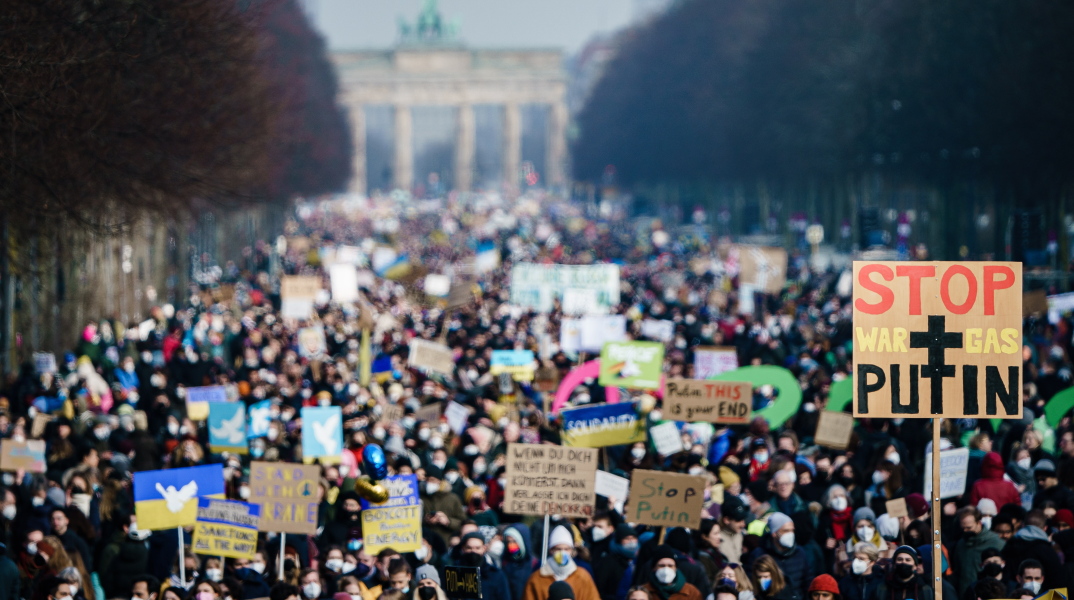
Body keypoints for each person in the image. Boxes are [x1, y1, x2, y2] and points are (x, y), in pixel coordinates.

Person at [745, 513, 814, 600]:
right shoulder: (759, 555)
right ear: (774, 533)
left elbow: (808, 582)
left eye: (792, 530)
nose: (791, 534)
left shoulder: (800, 553)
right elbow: (751, 583)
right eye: (786, 531)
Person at [520, 526, 599, 600]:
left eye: (566, 549)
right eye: (558, 549)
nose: (562, 552)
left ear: (572, 551)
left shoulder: (583, 577)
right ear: (551, 550)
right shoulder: (536, 579)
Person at [1000, 511, 1065, 592]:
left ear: (1023, 525)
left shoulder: (1009, 547)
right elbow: (1058, 583)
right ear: (1045, 528)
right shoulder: (1048, 552)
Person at [952, 506, 1004, 597]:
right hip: (965, 594)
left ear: (979, 523)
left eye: (969, 528)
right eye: (963, 528)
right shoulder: (961, 544)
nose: (965, 531)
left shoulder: (996, 543)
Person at [457, 532, 512, 600]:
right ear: (463, 548)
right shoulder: (454, 573)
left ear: (484, 548)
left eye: (477, 548)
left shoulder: (495, 575)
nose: (473, 551)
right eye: (469, 548)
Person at [421, 466, 466, 547]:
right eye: (427, 480)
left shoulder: (453, 498)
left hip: (447, 542)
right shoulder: (421, 498)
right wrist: (425, 520)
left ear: (440, 481)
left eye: (432, 480)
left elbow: (463, 522)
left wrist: (448, 521)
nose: (429, 483)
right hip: (425, 542)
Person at [593, 524, 637, 600]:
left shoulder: (637, 559)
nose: (631, 541)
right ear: (619, 541)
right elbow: (600, 585)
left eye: (633, 538)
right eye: (627, 538)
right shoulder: (608, 561)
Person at [720, 497, 748, 564]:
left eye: (743, 519)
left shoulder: (741, 534)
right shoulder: (717, 538)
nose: (743, 524)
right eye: (738, 520)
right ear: (726, 520)